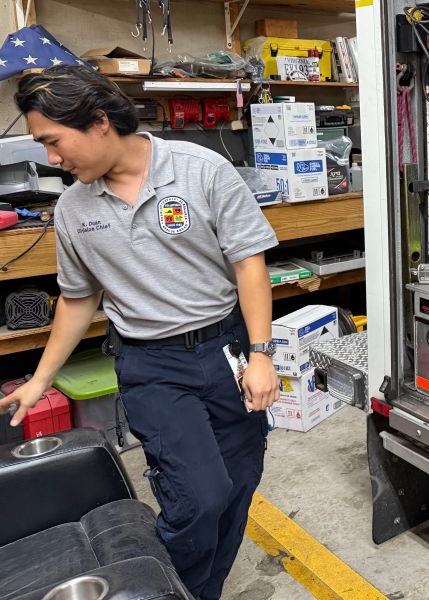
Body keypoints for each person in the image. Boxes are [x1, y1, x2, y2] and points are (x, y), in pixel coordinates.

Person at [0, 65, 281, 600]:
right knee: (197, 497)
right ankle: (176, 591)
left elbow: (249, 263)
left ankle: (203, 590)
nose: (52, 159)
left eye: (53, 142)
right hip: (152, 365)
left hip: (227, 349)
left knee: (239, 485)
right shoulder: (72, 209)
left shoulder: (203, 172)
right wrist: (39, 380)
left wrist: (263, 353)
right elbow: (78, 299)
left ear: (99, 121)